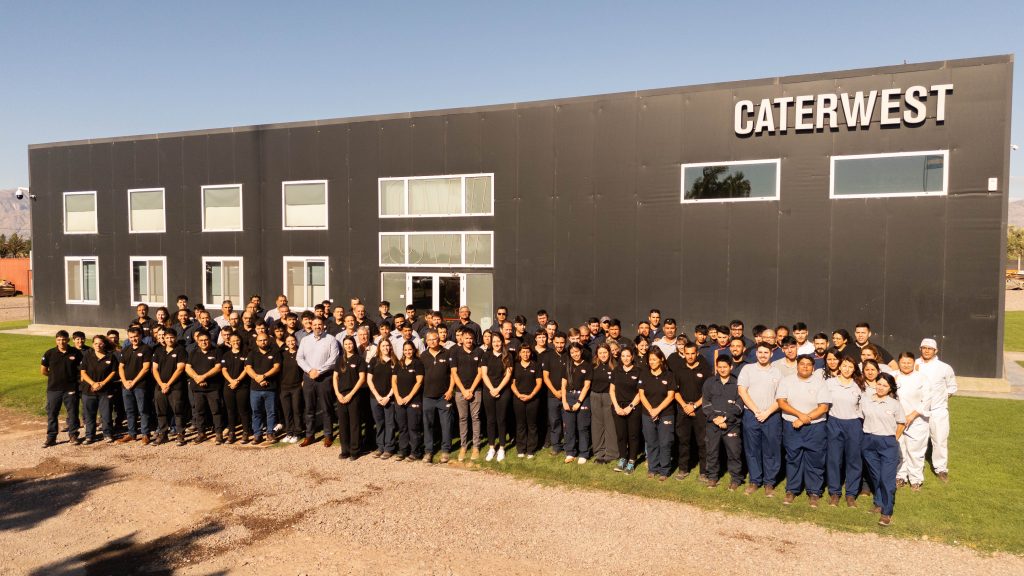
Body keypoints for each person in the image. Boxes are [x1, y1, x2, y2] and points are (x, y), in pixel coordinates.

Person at [777, 355, 831, 507]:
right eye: (802, 364)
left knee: (815, 459)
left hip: (815, 427)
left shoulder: (820, 383)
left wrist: (804, 419)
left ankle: (814, 492)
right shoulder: (787, 381)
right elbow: (781, 402)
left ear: (813, 367)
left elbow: (823, 407)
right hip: (791, 425)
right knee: (793, 458)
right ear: (797, 366)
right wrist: (800, 415)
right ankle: (792, 490)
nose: (805, 367)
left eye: (808, 364)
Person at [860, 372, 906, 526]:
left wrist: (893, 439)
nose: (880, 387)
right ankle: (878, 503)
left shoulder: (894, 404)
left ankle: (887, 511)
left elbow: (901, 423)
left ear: (890, 388)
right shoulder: (866, 400)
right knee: (876, 476)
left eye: (885, 385)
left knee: (887, 479)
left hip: (887, 443)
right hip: (869, 441)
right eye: (879, 384)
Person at [737, 342, 782, 496]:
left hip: (772, 416)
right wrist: (756, 411)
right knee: (752, 449)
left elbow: (781, 397)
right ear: (756, 353)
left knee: (771, 450)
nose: (763, 355)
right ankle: (755, 481)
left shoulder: (777, 372)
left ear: (771, 354)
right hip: (751, 415)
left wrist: (767, 412)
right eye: (760, 352)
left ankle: (769, 482)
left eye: (766, 352)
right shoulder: (747, 369)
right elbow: (742, 391)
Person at [826, 356, 866, 507]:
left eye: (850, 366)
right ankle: (834, 493)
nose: (847, 369)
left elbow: (863, 407)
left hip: (853, 424)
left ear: (854, 369)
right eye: (844, 366)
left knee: (854, 459)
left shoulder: (858, 386)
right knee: (834, 459)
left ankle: (851, 494)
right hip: (834, 422)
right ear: (839, 367)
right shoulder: (830, 383)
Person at [916, 338, 956, 483]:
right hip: (918, 410)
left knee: (939, 440)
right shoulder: (914, 364)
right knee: (917, 440)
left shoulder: (945, 367)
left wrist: (940, 400)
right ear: (920, 349)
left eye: (930, 348)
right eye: (924, 348)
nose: (926, 351)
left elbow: (952, 387)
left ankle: (941, 469)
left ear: (936, 351)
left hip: (938, 410)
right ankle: (916, 468)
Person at [297, 318, 340, 448]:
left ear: (323, 326)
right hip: (309, 377)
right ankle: (310, 435)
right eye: (314, 324)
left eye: (319, 324)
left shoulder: (331, 339)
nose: (317, 327)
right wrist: (310, 370)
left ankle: (328, 435)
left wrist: (319, 371)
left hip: (324, 378)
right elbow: (299, 357)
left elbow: (334, 359)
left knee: (327, 408)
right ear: (311, 326)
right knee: (309, 408)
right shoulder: (305, 340)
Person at [703, 355, 744, 490]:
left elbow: (739, 405)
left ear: (730, 367)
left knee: (734, 453)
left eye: (725, 367)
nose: (722, 369)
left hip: (731, 425)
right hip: (713, 424)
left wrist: (725, 418)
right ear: (716, 367)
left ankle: (736, 479)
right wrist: (716, 419)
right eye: (719, 367)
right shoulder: (710, 382)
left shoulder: (737, 383)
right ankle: (712, 477)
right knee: (712, 452)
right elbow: (706, 403)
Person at [671, 341, 710, 481]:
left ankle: (704, 471)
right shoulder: (678, 369)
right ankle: (683, 469)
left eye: (693, 353)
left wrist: (694, 406)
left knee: (703, 442)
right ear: (684, 354)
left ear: (697, 353)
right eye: (687, 353)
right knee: (683, 441)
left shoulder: (705, 369)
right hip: (683, 410)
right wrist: (685, 406)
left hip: (700, 410)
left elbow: (707, 393)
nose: (690, 356)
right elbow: (674, 391)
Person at [895, 351, 931, 491]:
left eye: (909, 362)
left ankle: (916, 479)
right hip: (897, 421)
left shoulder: (922, 378)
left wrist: (912, 415)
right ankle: (900, 476)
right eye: (903, 362)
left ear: (914, 363)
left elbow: (927, 400)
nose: (906, 365)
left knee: (915, 451)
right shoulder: (893, 376)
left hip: (917, 421)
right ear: (898, 362)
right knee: (899, 450)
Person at [638, 348, 675, 480]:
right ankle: (653, 468)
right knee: (651, 442)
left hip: (666, 414)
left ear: (661, 359)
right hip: (648, 414)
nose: (652, 362)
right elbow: (641, 395)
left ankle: (664, 470)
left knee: (665, 443)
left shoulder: (669, 375)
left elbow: (671, 396)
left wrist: (657, 410)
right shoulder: (644, 374)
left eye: (654, 359)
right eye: (650, 360)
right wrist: (651, 410)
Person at [186, 330, 225, 444]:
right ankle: (201, 433)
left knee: (216, 411)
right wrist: (197, 378)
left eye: (206, 340)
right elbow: (188, 367)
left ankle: (218, 434)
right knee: (199, 412)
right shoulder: (193, 352)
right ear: (197, 342)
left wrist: (203, 377)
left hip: (213, 388)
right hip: (197, 388)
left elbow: (218, 367)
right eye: (201, 340)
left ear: (210, 340)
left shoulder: (217, 351)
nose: (204, 342)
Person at [421, 330, 454, 464]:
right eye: (429, 340)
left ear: (439, 339)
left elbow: (453, 374)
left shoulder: (447, 353)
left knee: (446, 424)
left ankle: (445, 450)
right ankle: (428, 451)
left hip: (444, 396)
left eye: (434, 339)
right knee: (427, 425)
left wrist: (450, 390)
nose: (432, 342)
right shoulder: (423, 356)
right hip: (427, 396)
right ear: (426, 341)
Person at [451, 328, 484, 462]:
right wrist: (464, 390)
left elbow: (480, 373)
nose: (469, 340)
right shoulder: (455, 352)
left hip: (476, 390)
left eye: (471, 338)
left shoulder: (479, 352)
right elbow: (454, 373)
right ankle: (463, 446)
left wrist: (471, 390)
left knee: (475, 418)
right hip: (460, 392)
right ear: (462, 339)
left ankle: (476, 446)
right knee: (463, 418)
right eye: (466, 338)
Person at [79, 334, 118, 444]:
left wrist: (102, 383)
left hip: (105, 390)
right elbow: (83, 372)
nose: (98, 345)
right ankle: (89, 436)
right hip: (89, 390)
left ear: (104, 344)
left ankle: (107, 434)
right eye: (95, 343)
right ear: (93, 344)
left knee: (106, 414)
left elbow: (113, 372)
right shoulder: (87, 356)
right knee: (90, 415)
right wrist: (93, 383)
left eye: (100, 343)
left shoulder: (110, 356)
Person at [333, 335, 367, 460]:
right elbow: (335, 377)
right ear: (343, 346)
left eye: (350, 343)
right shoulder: (339, 360)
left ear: (354, 344)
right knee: (343, 424)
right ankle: (345, 450)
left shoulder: (359, 359)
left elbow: (362, 379)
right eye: (346, 344)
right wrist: (337, 393)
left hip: (354, 395)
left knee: (354, 423)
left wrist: (351, 394)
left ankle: (354, 450)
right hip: (341, 395)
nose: (348, 346)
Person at [480, 333, 513, 462]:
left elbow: (508, 375)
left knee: (501, 419)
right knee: (490, 420)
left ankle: (502, 448)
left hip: (503, 391)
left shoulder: (508, 356)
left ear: (502, 342)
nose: (496, 344)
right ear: (491, 343)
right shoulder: (486, 355)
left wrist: (498, 389)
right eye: (494, 341)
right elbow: (484, 374)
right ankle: (492, 447)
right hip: (488, 390)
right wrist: (492, 389)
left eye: (498, 341)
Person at [117, 327, 153, 444]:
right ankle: (132, 434)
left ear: (140, 336)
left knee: (143, 410)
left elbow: (146, 368)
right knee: (129, 410)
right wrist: (124, 381)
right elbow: (121, 367)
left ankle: (145, 434)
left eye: (136, 336)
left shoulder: (146, 349)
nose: (134, 339)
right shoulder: (126, 349)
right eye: (131, 337)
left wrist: (134, 381)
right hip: (126, 386)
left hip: (140, 385)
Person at [610, 347, 643, 474]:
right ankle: (623, 458)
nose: (625, 358)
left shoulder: (638, 371)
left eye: (628, 356)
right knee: (621, 435)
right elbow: (612, 390)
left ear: (632, 357)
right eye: (623, 356)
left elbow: (640, 393)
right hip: (618, 407)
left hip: (633, 408)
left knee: (633, 435)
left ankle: (632, 461)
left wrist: (630, 407)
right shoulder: (616, 370)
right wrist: (617, 407)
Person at [151, 328, 187, 446]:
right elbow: (154, 369)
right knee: (161, 411)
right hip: (160, 386)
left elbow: (180, 369)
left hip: (175, 387)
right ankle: (163, 434)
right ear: (164, 338)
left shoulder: (180, 350)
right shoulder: (158, 350)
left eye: (172, 337)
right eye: (167, 337)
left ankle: (180, 434)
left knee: (178, 411)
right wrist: (161, 384)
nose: (169, 340)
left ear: (175, 338)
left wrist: (168, 384)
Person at [393, 340, 425, 461]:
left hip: (413, 400)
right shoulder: (399, 364)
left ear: (414, 350)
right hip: (400, 401)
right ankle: (403, 450)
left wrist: (409, 397)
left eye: (410, 349)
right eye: (405, 350)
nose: (408, 352)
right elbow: (394, 382)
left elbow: (419, 382)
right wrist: (397, 397)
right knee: (402, 427)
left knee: (413, 427)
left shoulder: (418, 363)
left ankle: (415, 452)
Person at [246, 332, 281, 444]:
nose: (263, 342)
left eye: (265, 340)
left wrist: (264, 376)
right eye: (260, 340)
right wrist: (258, 378)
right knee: (256, 412)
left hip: (270, 388)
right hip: (255, 389)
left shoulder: (275, 352)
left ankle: (270, 433)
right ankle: (257, 434)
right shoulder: (252, 353)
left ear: (268, 340)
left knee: (271, 412)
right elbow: (248, 368)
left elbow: (277, 367)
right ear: (257, 342)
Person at [561, 343, 592, 464]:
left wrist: (579, 402)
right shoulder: (567, 365)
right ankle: (570, 452)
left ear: (581, 351)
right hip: (569, 396)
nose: (575, 354)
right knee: (569, 427)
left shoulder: (588, 366)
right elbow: (563, 385)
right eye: (572, 352)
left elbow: (587, 386)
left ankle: (584, 453)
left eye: (577, 351)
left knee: (582, 427)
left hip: (582, 398)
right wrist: (564, 401)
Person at [367, 339, 398, 459]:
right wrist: (378, 396)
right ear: (379, 347)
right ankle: (380, 447)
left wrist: (388, 396)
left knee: (390, 423)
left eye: (387, 345)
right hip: (375, 398)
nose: (385, 348)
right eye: (383, 346)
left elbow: (396, 382)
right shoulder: (374, 361)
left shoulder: (395, 361)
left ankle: (389, 448)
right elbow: (369, 380)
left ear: (390, 347)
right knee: (379, 423)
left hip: (390, 398)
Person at [588, 344, 618, 464]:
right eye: (600, 353)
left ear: (609, 353)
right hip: (595, 396)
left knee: (610, 425)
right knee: (597, 425)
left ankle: (611, 453)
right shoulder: (593, 366)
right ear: (597, 354)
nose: (603, 355)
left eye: (605, 352)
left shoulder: (615, 366)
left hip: (609, 397)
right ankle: (599, 452)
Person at [511, 345, 543, 459]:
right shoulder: (515, 366)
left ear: (531, 353)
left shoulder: (536, 365)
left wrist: (531, 395)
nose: (525, 354)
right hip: (518, 398)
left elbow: (539, 383)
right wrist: (518, 394)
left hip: (533, 399)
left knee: (532, 424)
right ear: (519, 353)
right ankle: (521, 448)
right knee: (520, 424)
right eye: (523, 352)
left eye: (527, 352)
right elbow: (512, 383)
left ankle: (531, 449)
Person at [221, 333, 252, 444]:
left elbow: (246, 369)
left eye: (237, 340)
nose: (236, 342)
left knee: (243, 410)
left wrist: (237, 380)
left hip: (242, 386)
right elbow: (224, 370)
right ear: (229, 342)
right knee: (230, 410)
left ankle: (245, 432)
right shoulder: (226, 355)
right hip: (229, 386)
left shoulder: (246, 353)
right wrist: (231, 381)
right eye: (233, 341)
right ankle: (232, 432)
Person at [541, 332, 568, 455]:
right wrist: (555, 392)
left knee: (568, 422)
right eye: (557, 343)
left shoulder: (569, 355)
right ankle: (556, 446)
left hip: (567, 394)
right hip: (553, 395)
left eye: (562, 343)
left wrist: (563, 391)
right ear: (553, 342)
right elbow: (545, 377)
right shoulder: (548, 356)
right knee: (554, 421)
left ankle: (568, 446)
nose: (560, 345)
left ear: (565, 342)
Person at [278, 334, 304, 443]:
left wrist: (303, 381)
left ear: (296, 341)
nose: (291, 343)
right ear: (285, 343)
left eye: (293, 340)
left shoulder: (301, 353)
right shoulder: (282, 354)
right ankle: (289, 433)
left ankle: (297, 433)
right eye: (288, 341)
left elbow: (305, 368)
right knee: (287, 411)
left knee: (296, 410)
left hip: (296, 387)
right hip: (284, 387)